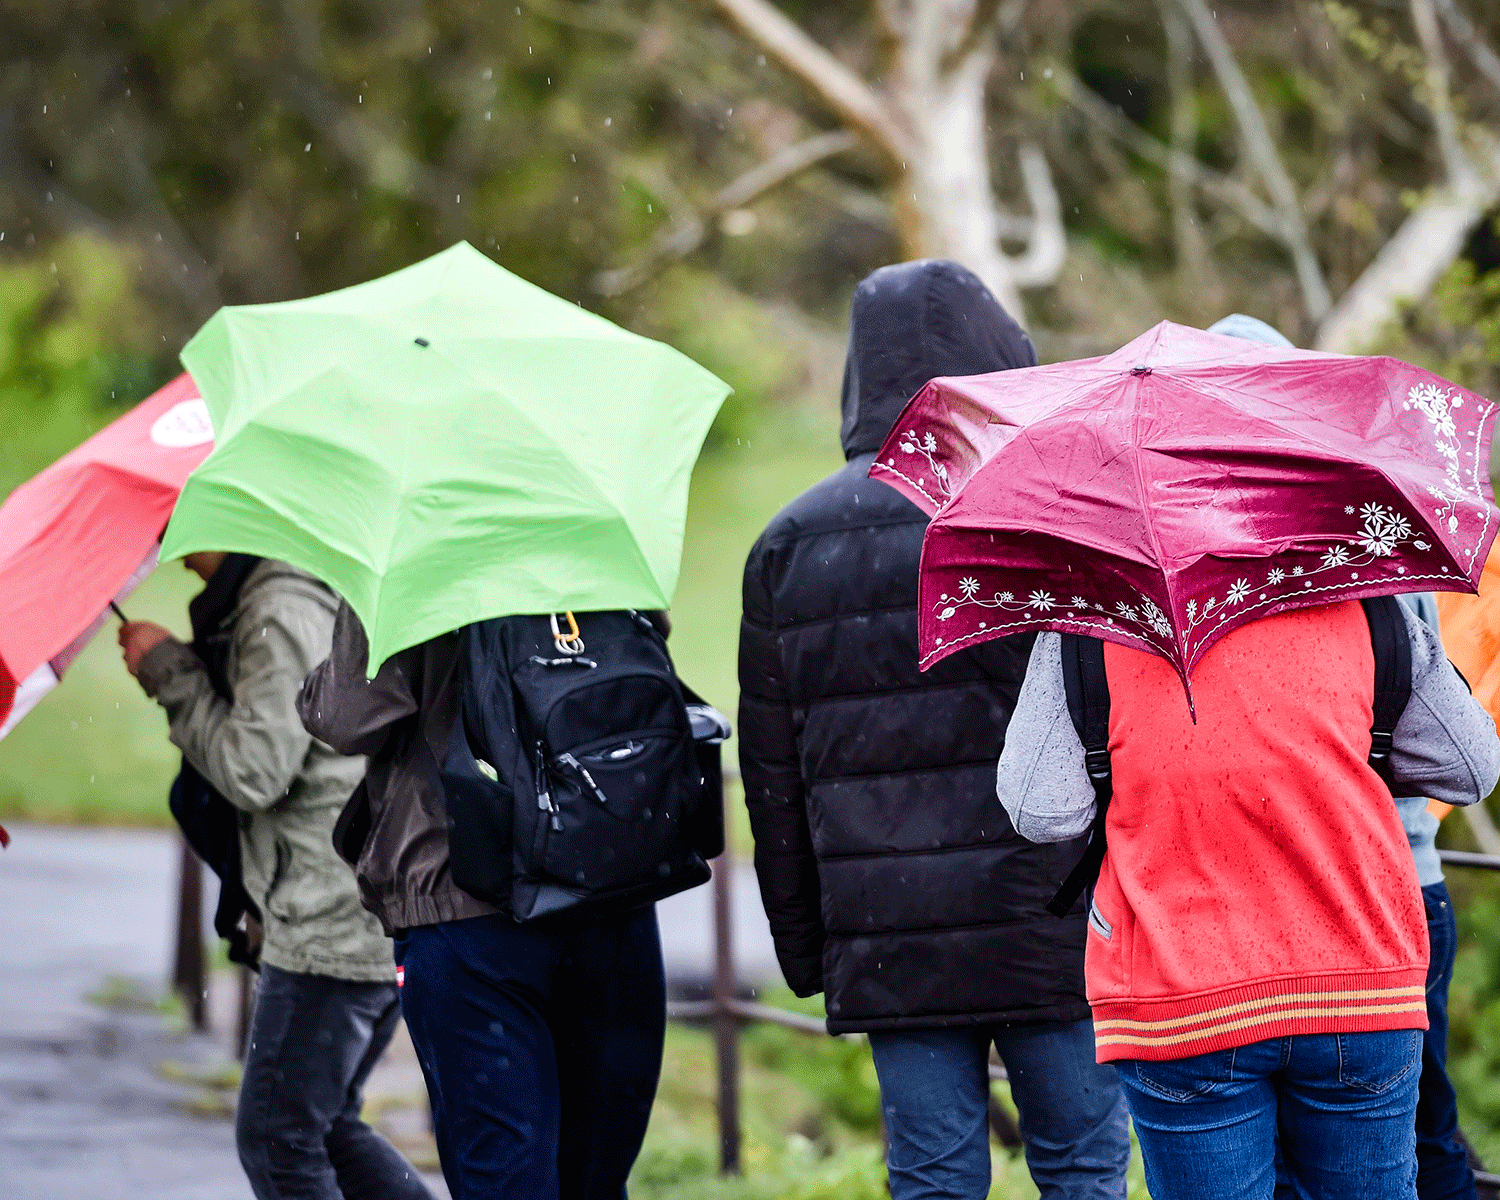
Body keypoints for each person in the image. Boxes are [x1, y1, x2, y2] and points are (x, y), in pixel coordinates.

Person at [737, 259, 1130, 1200]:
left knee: (933, 1178)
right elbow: (1104, 718)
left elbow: (774, 776)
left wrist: (809, 949)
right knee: (1080, 1164)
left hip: (889, 934)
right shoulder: (1045, 517)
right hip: (1052, 917)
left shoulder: (790, 545)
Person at [996, 590, 1500, 1196]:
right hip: (1355, 977)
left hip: (1180, 994)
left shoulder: (1088, 623)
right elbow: (1469, 766)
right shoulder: (1363, 600)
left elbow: (1042, 811)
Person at [1209, 313, 1484, 1200]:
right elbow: (1461, 762)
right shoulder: (1380, 555)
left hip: (1225, 926)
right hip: (1387, 896)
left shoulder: (1175, 577)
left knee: (1293, 1168)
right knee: (1414, 1144)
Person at [297, 607, 666, 1200]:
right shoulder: (593, 527)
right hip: (605, 886)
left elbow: (345, 716)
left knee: (507, 1183)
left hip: (466, 904)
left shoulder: (418, 542)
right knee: (595, 1183)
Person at [119, 552, 432, 1200]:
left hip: (330, 922)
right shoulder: (277, 595)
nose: (172, 543)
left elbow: (255, 770)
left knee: (277, 1139)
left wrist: (170, 672)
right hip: (355, 907)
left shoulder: (278, 608)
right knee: (325, 1126)